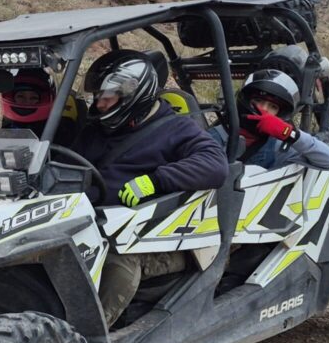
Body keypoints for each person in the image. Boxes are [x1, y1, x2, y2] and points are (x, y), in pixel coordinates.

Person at [73, 50, 229, 325]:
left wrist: (155, 181)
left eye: (106, 98)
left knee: (117, 267)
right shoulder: (96, 130)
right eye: (97, 98)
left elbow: (215, 165)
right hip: (90, 224)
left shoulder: (177, 129)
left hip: (151, 235)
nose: (99, 105)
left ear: (133, 96)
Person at [215, 68, 329, 170]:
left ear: (280, 114)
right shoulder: (216, 136)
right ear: (246, 101)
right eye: (258, 101)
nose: (264, 109)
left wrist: (291, 134)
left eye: (273, 107)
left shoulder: (279, 147)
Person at [0, 68, 83, 145]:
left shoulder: (60, 127)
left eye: (33, 98)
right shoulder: (10, 121)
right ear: (12, 97)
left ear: (44, 98)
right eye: (20, 96)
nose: (27, 102)